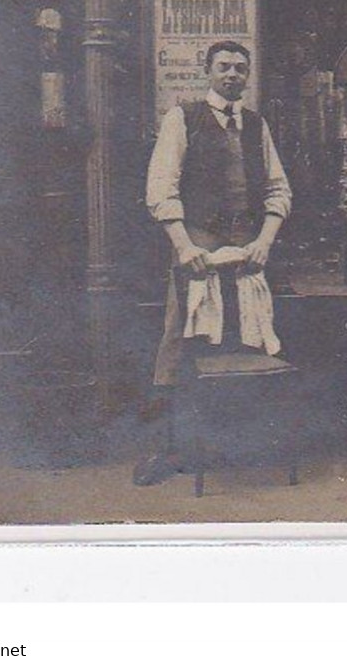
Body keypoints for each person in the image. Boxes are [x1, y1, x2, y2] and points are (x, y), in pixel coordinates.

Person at [137, 40, 292, 486]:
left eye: (240, 69)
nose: (232, 75)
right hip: (198, 247)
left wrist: (265, 240)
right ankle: (164, 449)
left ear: (248, 76)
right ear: (207, 71)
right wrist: (184, 246)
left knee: (246, 336)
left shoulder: (256, 126)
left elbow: (279, 190)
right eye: (223, 67)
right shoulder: (182, 119)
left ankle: (235, 448)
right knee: (179, 338)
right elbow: (161, 189)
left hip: (246, 249)